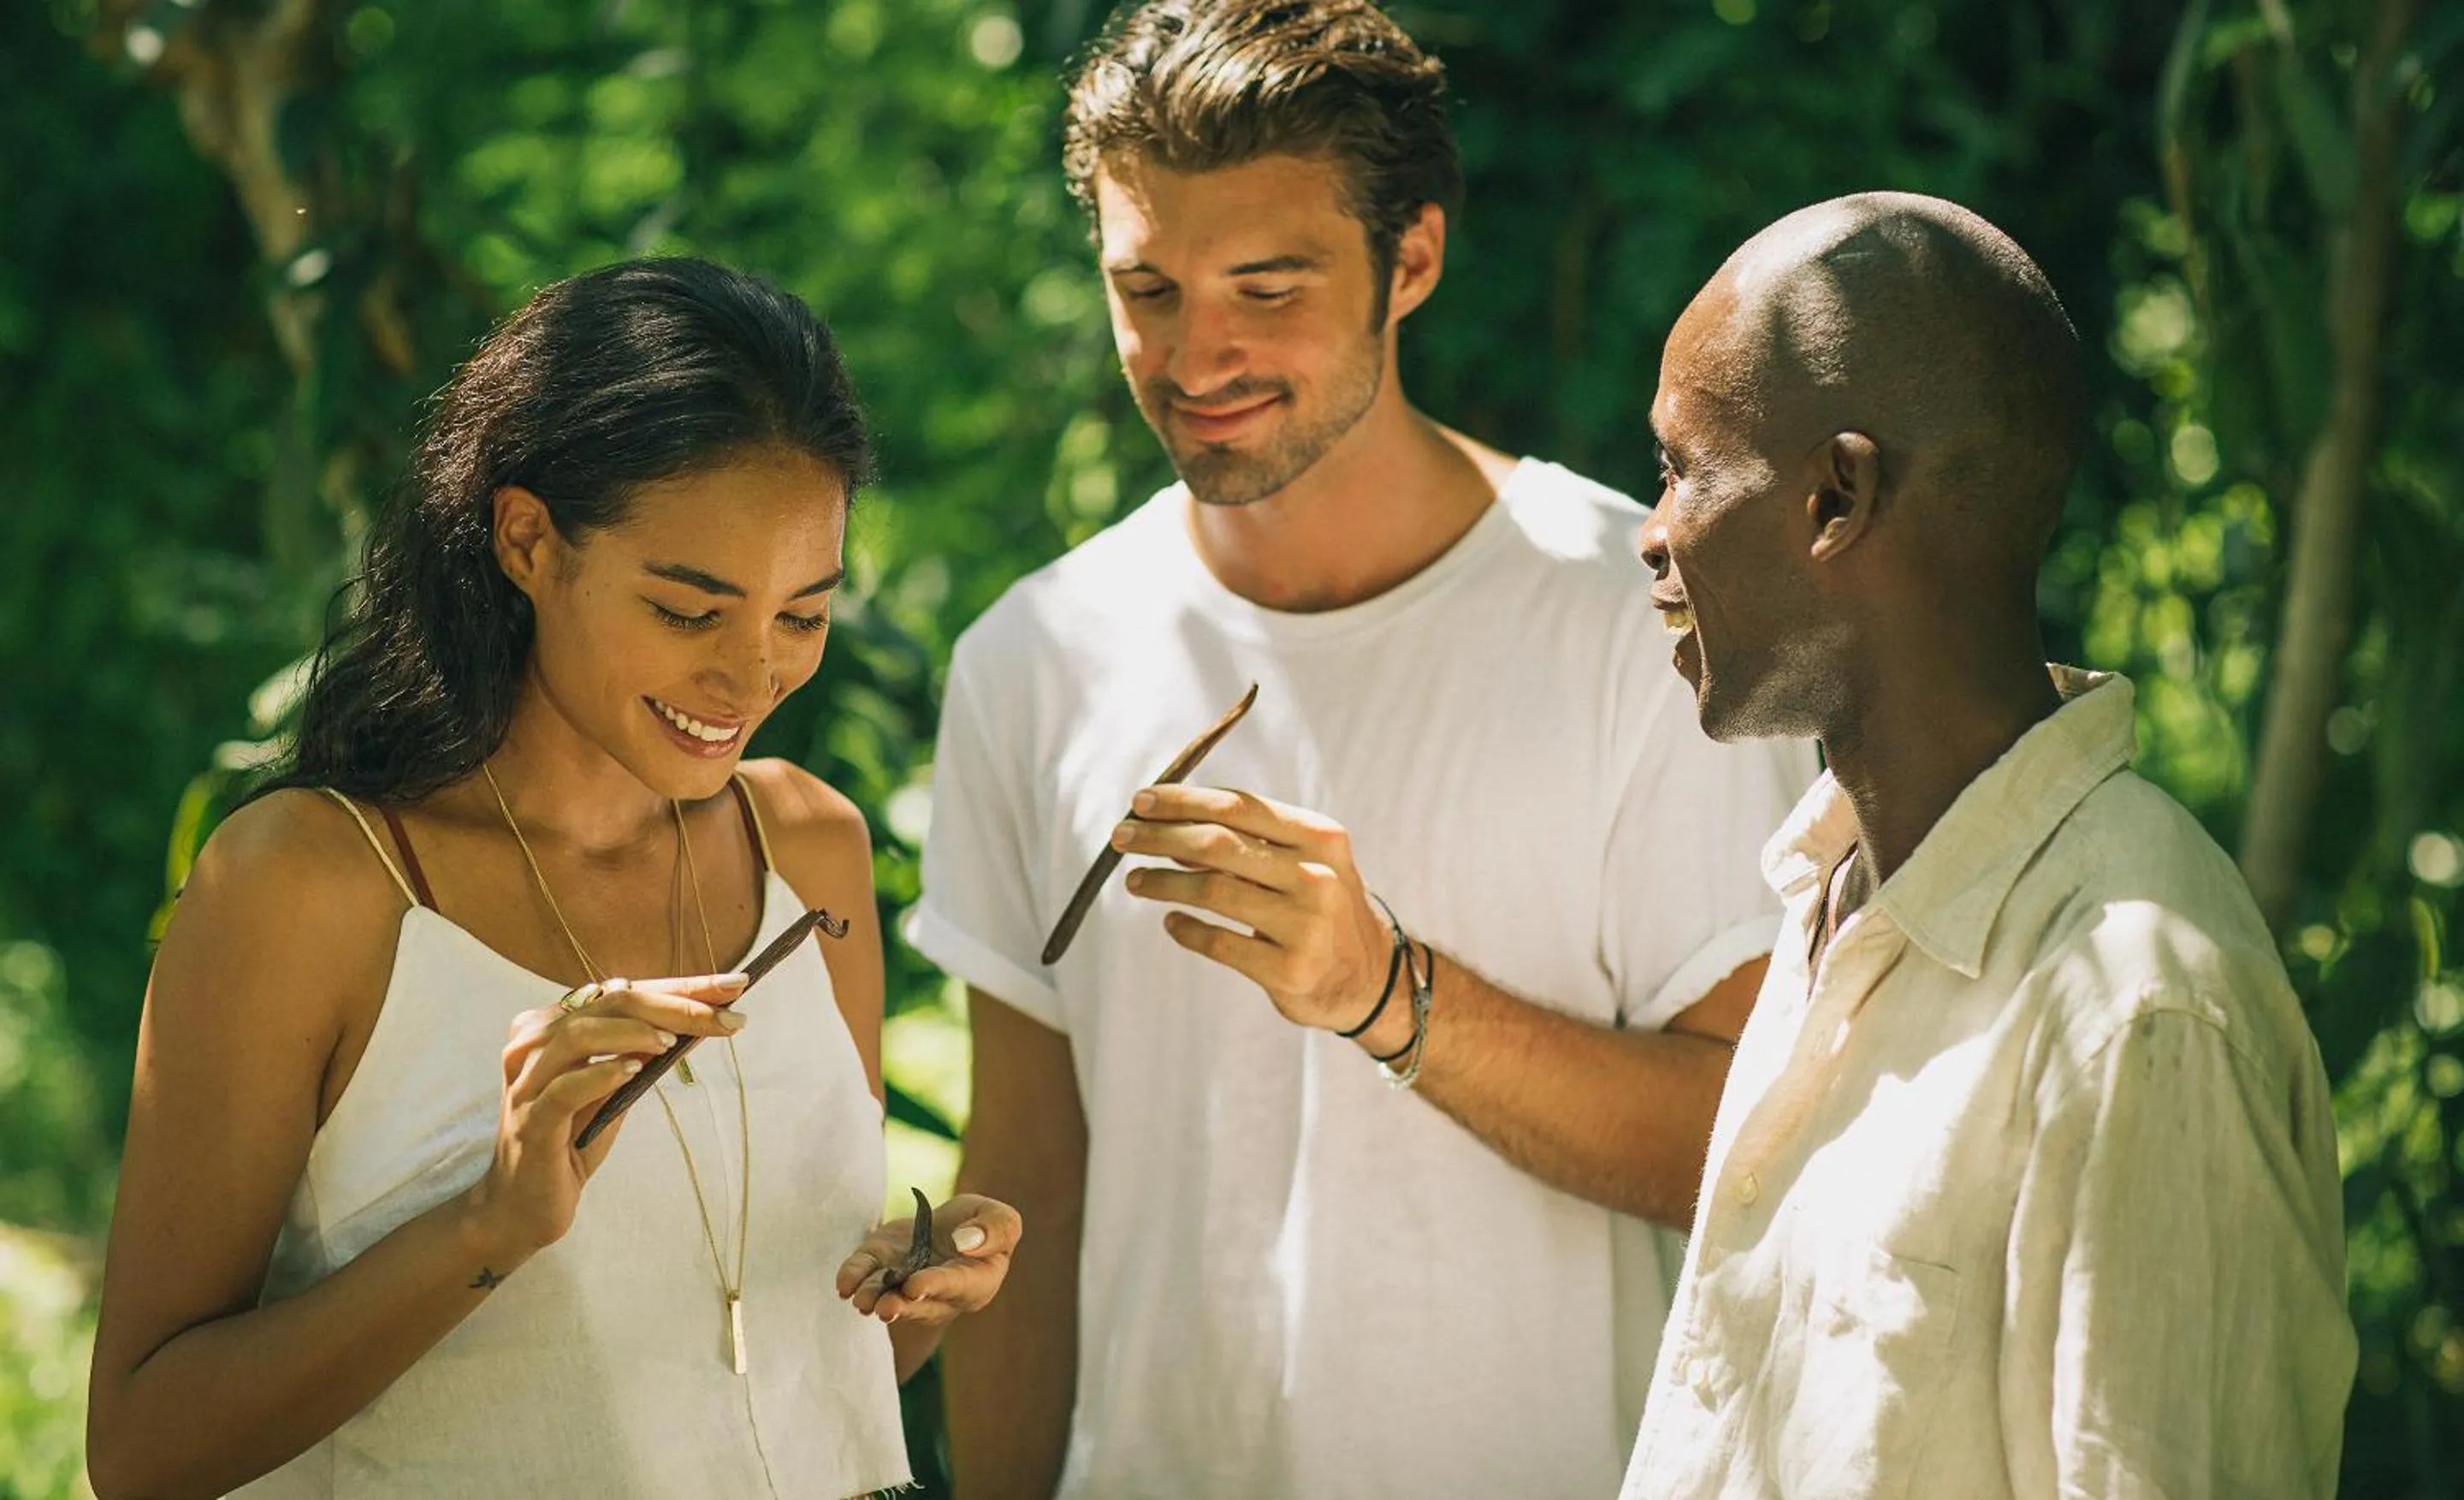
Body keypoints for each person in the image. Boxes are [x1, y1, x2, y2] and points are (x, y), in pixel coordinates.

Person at [909, 3, 1816, 1496]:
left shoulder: (1641, 624)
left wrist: (1389, 997)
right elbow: (1030, 1188)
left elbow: (1756, 1146)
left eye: (1267, 286)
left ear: (1413, 261)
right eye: (1147, 287)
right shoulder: (1032, 658)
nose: (1198, 353)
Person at [84, 258, 1020, 1500]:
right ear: (528, 539)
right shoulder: (314, 887)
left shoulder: (812, 849)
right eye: (690, 613)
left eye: (802, 615)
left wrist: (924, 1283)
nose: (752, 681)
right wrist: (488, 1226)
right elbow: (145, 1452)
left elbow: (787, 1376)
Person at [1620, 192, 2356, 1498]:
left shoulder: (2142, 1011)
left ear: (1835, 497)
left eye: (1684, 469)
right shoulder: (1841, 892)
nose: (1653, 531)